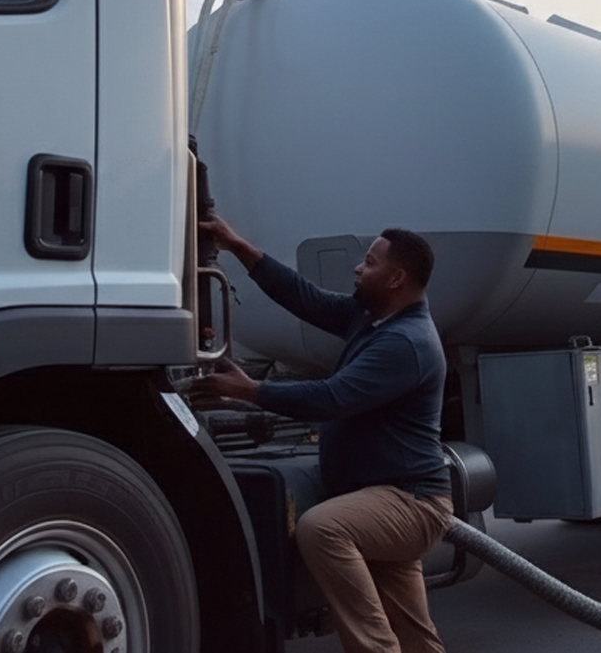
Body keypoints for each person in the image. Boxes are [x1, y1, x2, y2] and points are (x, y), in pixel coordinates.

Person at [193, 215, 450, 653]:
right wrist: (238, 245)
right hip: (386, 494)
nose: (357, 268)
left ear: (396, 278)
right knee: (416, 635)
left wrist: (251, 391)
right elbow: (304, 298)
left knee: (322, 529)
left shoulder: (405, 341)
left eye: (369, 263)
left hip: (410, 500)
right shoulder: (370, 319)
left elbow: (333, 398)